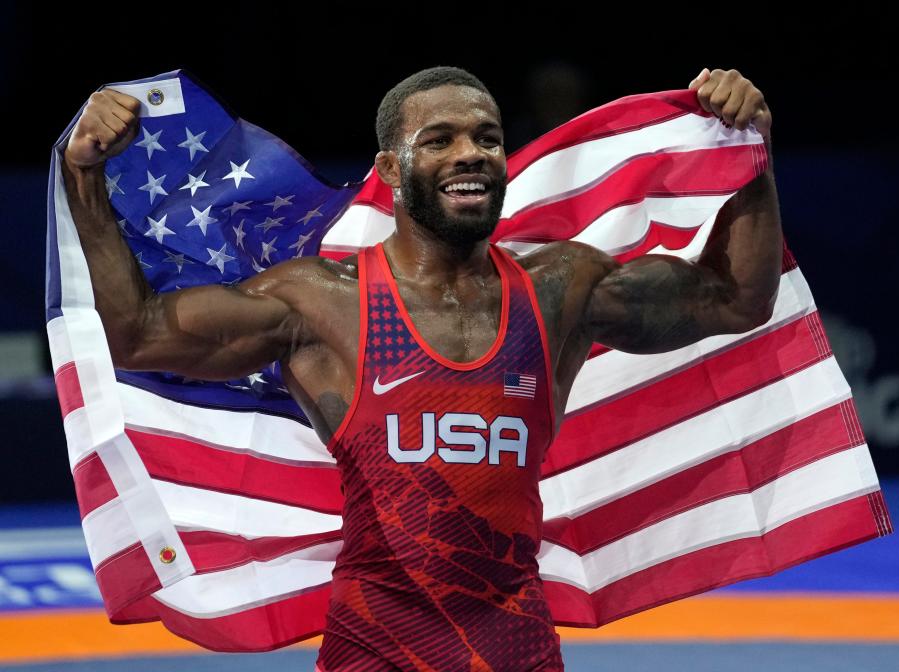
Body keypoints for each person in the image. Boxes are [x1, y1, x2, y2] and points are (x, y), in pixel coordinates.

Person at [62, 65, 781, 672]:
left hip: (516, 646)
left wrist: (747, 156)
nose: (470, 153)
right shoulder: (319, 302)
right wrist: (85, 173)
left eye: (486, 138)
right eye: (439, 140)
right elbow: (137, 334)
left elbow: (735, 300)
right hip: (374, 646)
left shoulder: (563, 288)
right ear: (389, 170)